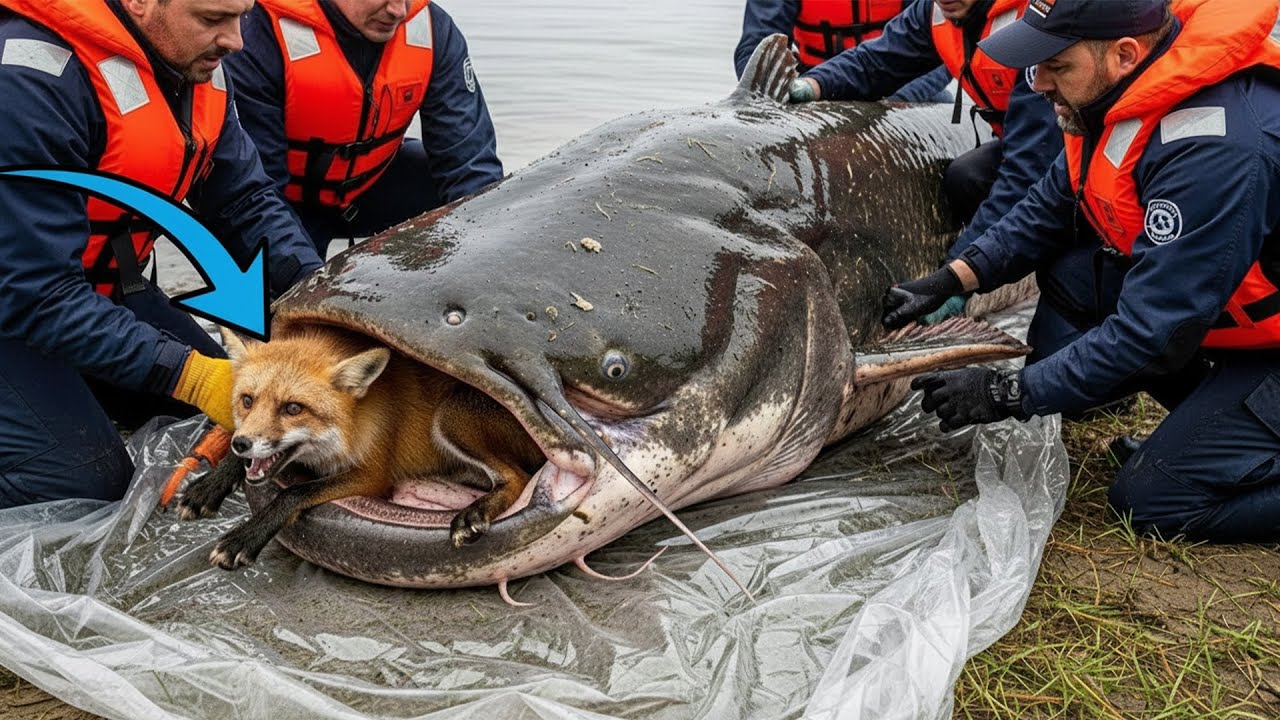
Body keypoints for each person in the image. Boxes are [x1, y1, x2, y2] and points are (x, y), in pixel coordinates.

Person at [884, 0, 1280, 543]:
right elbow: (1046, 209)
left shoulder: (1214, 151)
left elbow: (1151, 333)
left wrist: (1006, 393)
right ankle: (1217, 431)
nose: (1039, 82)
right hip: (1235, 325)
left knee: (1151, 501)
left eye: (1057, 66)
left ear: (1123, 54)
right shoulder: (1110, 99)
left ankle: (1223, 447)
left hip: (1264, 349)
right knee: (1074, 275)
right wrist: (952, 279)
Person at [0, 0, 325, 508]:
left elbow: (245, 201)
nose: (237, 40)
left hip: (99, 290)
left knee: (237, 412)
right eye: (213, 19)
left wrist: (324, 302)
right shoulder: (30, 81)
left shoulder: (195, 67)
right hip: (20, 304)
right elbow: (34, 293)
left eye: (241, 15)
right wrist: (188, 374)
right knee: (84, 486)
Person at [789, 0, 1067, 329]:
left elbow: (1027, 171)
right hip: (1024, 141)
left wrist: (955, 278)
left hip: (1070, 153)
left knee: (1066, 298)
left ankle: (1043, 259)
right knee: (967, 178)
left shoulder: (1035, 23)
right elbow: (878, 60)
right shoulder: (936, 11)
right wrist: (814, 85)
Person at [225, 0, 503, 257]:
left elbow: (470, 163)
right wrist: (305, 277)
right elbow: (254, 191)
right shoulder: (256, 34)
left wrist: (487, 254)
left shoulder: (433, 29)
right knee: (277, 283)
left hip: (371, 185)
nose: (398, 11)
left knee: (475, 201)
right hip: (285, 201)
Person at [733, 0, 952, 103]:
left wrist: (897, 100)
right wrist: (767, 97)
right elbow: (757, 44)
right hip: (814, 86)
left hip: (900, 86)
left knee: (946, 114)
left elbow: (943, 52)